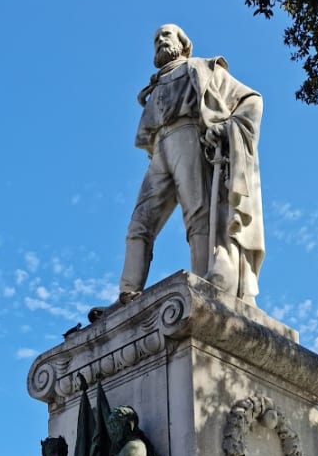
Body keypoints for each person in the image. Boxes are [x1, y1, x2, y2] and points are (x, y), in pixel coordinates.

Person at [94, 23, 264, 316]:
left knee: (197, 212)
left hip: (188, 135)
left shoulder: (203, 68)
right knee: (140, 222)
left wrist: (226, 128)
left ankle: (204, 281)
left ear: (184, 44)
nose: (160, 40)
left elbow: (251, 100)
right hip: (160, 147)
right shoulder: (155, 85)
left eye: (166, 35)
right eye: (156, 39)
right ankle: (126, 294)